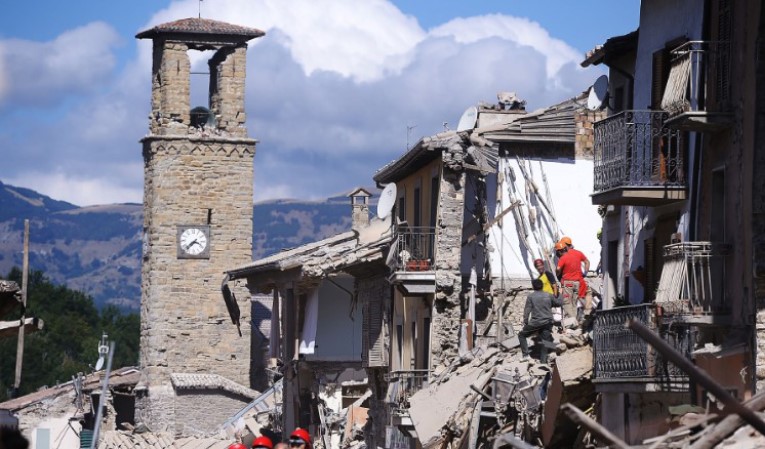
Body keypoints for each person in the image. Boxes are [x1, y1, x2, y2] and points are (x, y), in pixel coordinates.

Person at [518, 278, 563, 364]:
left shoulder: (531, 296)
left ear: (533, 287)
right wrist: (560, 293)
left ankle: (526, 356)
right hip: (548, 322)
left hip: (536, 322)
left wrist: (526, 321)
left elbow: (527, 310)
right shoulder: (549, 295)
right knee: (545, 341)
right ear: (542, 286)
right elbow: (559, 303)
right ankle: (543, 362)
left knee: (521, 335)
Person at [556, 237, 591, 325]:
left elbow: (558, 269)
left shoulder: (564, 256)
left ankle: (572, 323)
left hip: (568, 283)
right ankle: (575, 322)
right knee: (574, 303)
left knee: (567, 303)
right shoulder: (578, 253)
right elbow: (587, 262)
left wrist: (557, 274)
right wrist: (585, 273)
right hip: (578, 282)